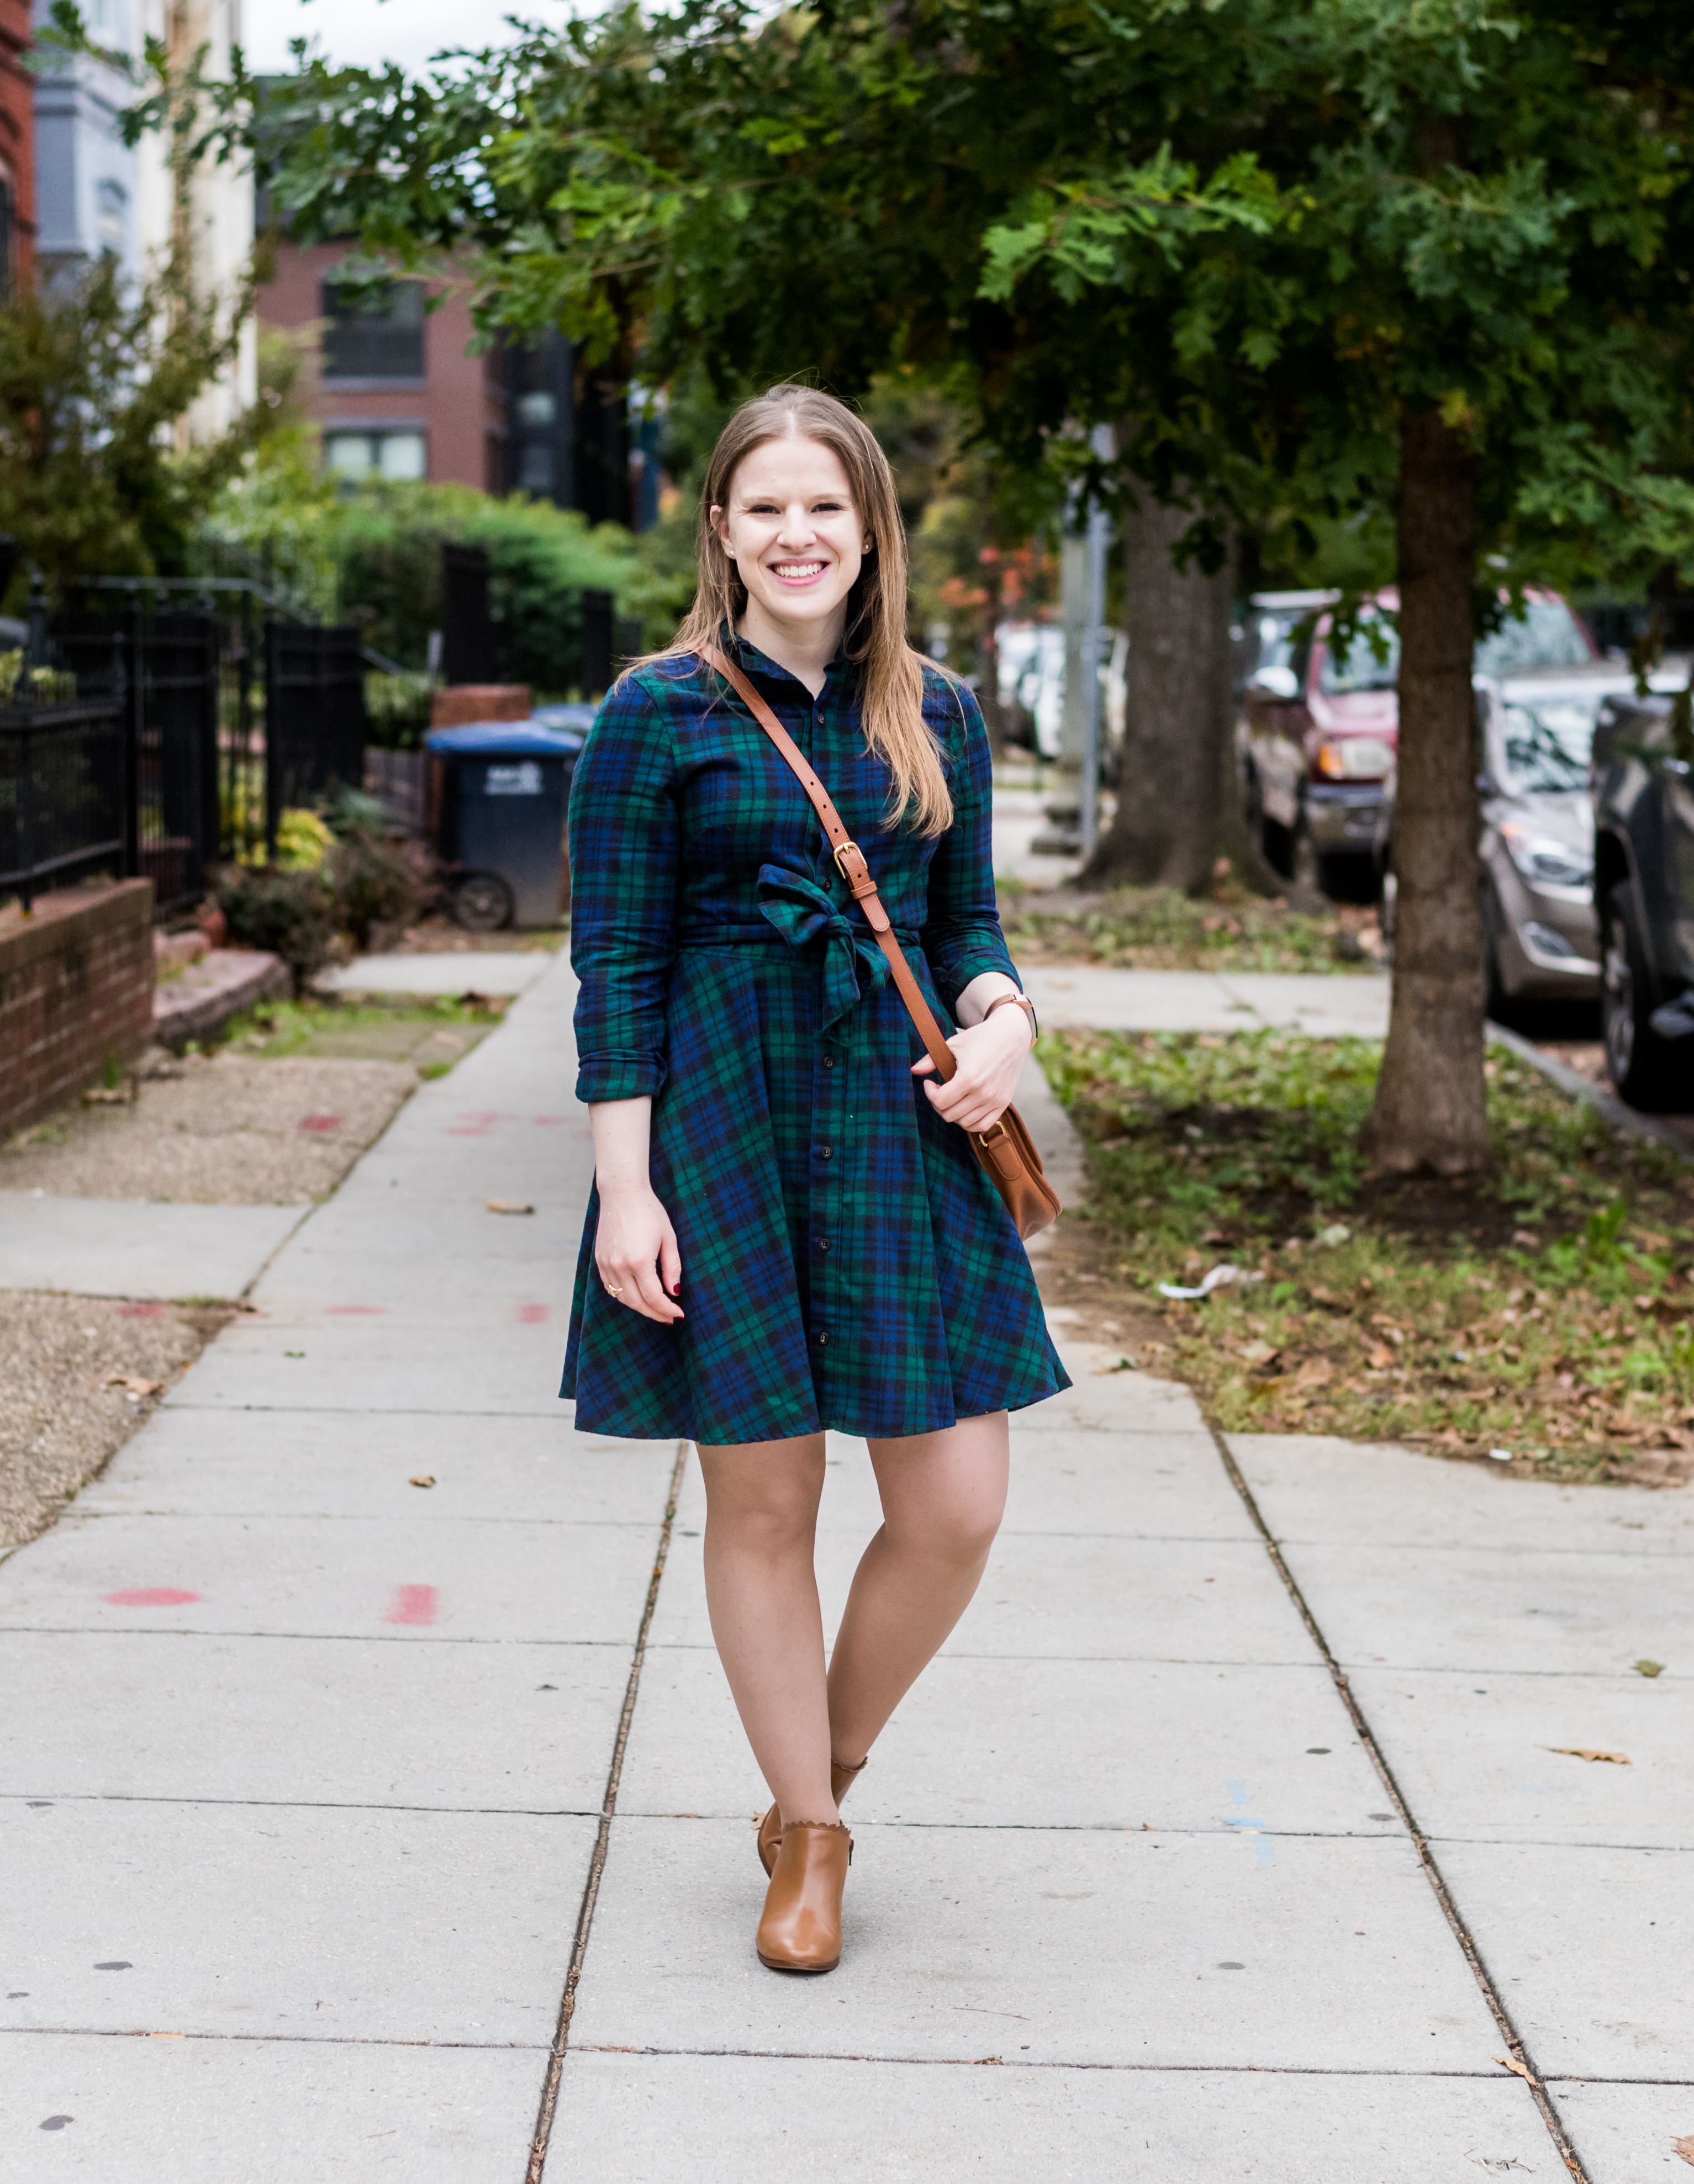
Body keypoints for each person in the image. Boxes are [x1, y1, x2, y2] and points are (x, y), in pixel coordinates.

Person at [561, 384, 1069, 1974]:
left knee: (957, 1500)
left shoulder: (944, 712)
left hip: (898, 1125)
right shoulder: (656, 711)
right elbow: (617, 966)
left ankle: (813, 1782)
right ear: (721, 528)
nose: (797, 534)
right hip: (725, 1118)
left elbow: (965, 925)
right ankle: (816, 1843)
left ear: (870, 533)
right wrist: (625, 1191)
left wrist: (1007, 1023)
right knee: (765, 1493)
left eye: (825, 508)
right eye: (766, 506)